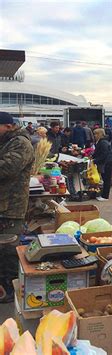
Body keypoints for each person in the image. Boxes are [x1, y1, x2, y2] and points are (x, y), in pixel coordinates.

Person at [0, 112, 34, 303]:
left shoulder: (20, 143)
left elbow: (7, 167)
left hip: (11, 206)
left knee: (7, 250)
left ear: (8, 126)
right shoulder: (6, 141)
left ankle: (10, 290)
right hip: (3, 204)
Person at [92, 129, 112, 201]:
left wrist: (95, 160)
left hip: (107, 163)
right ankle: (103, 194)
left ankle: (105, 196)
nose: (94, 136)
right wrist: (92, 156)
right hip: (106, 162)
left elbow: (104, 154)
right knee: (105, 179)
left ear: (100, 134)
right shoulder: (101, 142)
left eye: (96, 134)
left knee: (106, 179)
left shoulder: (103, 142)